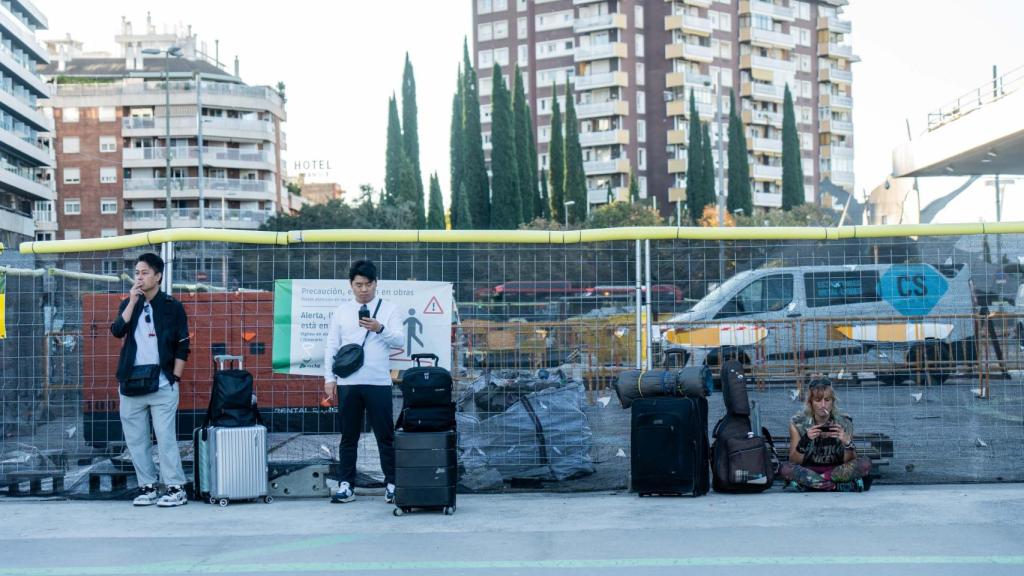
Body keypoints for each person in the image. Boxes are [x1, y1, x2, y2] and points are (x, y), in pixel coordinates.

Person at [110, 253, 190, 507]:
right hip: (131, 381)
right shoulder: (129, 304)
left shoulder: (171, 306)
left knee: (165, 436)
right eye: (136, 273)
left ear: (158, 276)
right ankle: (148, 486)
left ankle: (175, 487)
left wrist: (174, 377)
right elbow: (116, 331)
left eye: (145, 272)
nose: (140, 277)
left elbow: (183, 343)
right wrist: (133, 301)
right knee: (136, 438)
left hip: (163, 382)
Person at [323, 260, 404, 504]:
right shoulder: (341, 310)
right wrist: (329, 378)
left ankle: (392, 483)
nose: (364, 289)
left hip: (378, 382)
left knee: (385, 435)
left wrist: (380, 328)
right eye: (359, 284)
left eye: (369, 284)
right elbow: (331, 346)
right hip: (348, 382)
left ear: (376, 284)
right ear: (351, 285)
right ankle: (347, 484)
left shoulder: (389, 309)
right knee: (348, 436)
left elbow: (399, 341)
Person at [780, 377, 872, 492]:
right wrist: (806, 440)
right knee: (785, 469)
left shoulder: (845, 422)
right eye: (818, 400)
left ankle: (813, 485)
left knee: (865, 464)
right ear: (811, 403)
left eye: (827, 400)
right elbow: (794, 461)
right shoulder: (798, 424)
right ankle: (835, 486)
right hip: (809, 471)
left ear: (833, 401)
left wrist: (847, 443)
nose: (823, 405)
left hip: (837, 471)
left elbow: (849, 462)